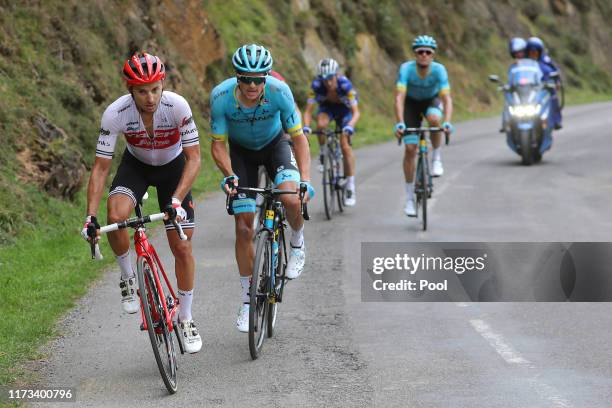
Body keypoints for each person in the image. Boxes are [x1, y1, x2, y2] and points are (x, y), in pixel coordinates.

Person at [80, 53, 202, 353]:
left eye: (155, 89)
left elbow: (195, 158)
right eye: (142, 91)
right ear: (130, 89)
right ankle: (127, 277)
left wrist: (175, 199)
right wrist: (90, 217)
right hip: (136, 166)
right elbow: (100, 168)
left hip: (174, 169)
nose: (150, 98)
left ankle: (185, 318)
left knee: (182, 246)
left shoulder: (178, 106)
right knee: (116, 213)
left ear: (163, 85)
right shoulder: (115, 113)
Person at [209, 44, 313, 332]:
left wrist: (305, 179)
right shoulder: (220, 97)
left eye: (259, 79)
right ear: (237, 77)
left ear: (267, 77)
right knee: (243, 228)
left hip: (276, 145)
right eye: (246, 78)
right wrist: (229, 174)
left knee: (291, 199)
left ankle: (298, 242)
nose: (253, 85)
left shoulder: (280, 92)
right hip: (241, 154)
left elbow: (299, 138)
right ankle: (248, 300)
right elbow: (217, 145)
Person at [394, 35, 453, 217]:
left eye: (428, 52)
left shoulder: (439, 70)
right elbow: (399, 98)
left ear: (433, 55)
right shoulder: (406, 69)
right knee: (410, 149)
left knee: (435, 120)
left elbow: (446, 99)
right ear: (415, 54)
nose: (424, 55)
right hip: (411, 104)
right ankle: (410, 199)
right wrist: (400, 122)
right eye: (420, 52)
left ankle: (436, 158)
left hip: (431, 101)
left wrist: (448, 121)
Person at [302, 58, 360, 207]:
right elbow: (308, 112)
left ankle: (350, 186)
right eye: (324, 79)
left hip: (345, 111)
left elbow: (356, 112)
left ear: (336, 75)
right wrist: (306, 127)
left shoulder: (345, 85)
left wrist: (350, 126)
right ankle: (323, 154)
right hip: (327, 109)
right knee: (321, 125)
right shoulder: (316, 86)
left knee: (345, 145)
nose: (328, 82)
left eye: (330, 78)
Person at [526, 36, 563, 129]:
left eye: (535, 52)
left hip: (545, 88)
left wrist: (557, 81)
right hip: (529, 88)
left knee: (553, 97)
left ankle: (556, 120)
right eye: (531, 52)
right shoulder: (524, 64)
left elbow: (555, 71)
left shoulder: (546, 61)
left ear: (540, 51)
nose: (533, 54)